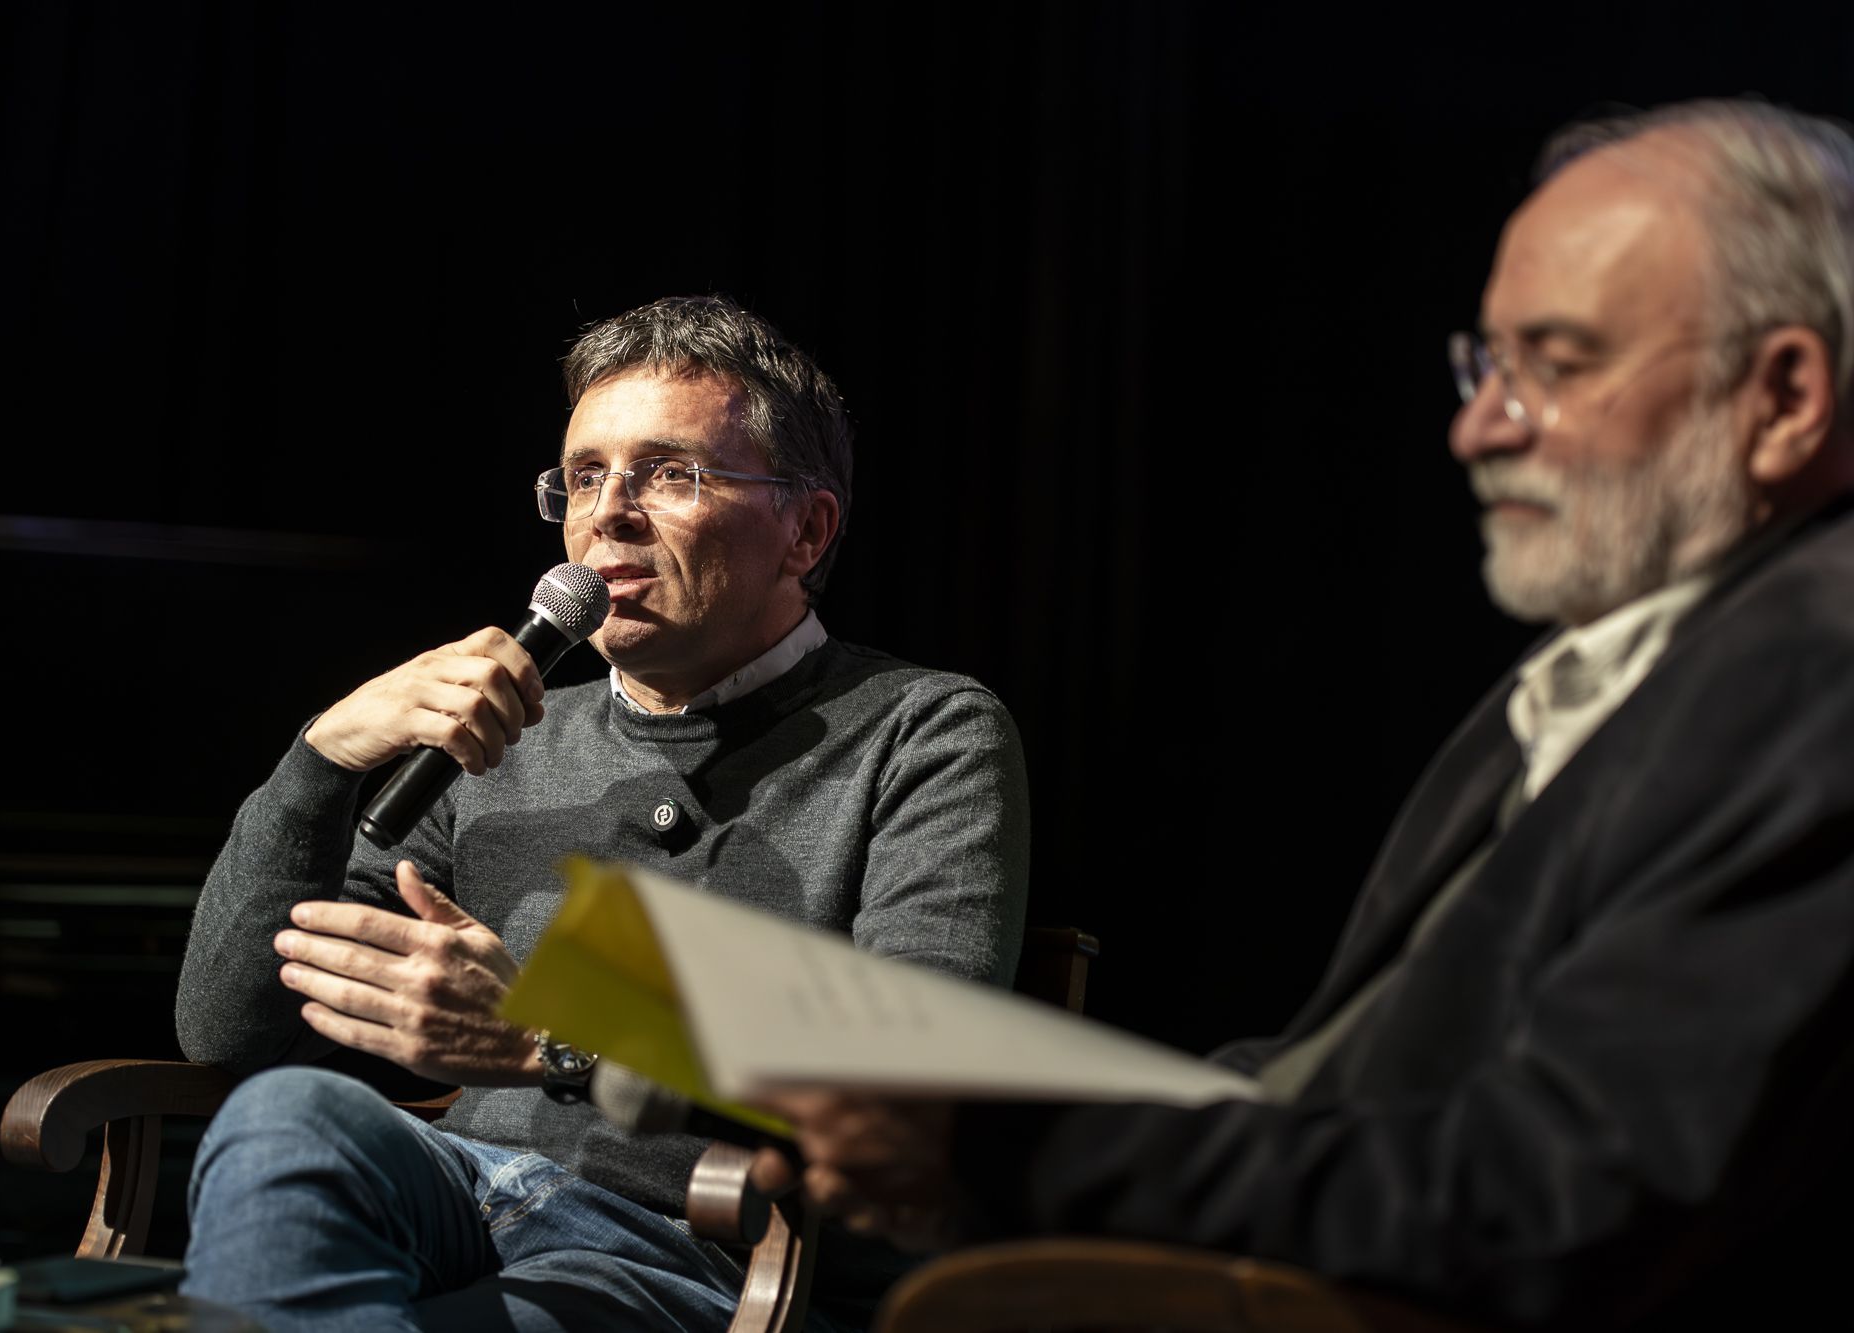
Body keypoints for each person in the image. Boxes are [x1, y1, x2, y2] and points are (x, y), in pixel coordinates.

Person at [752, 98, 1854, 1331]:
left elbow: (1561, 1196)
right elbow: (1330, 1087)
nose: (1477, 427)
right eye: (1483, 365)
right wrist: (965, 1130)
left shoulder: (1813, 668)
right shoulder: (1606, 670)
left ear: (1784, 397)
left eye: (1555, 363)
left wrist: (1012, 1144)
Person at [172, 294, 1030, 1331]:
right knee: (286, 1112)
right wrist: (319, 760)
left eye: (669, 473)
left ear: (804, 530)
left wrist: (547, 1038)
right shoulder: (509, 734)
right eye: (585, 475)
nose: (607, 513)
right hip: (456, 1194)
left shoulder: (921, 729)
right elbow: (230, 1036)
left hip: (699, 1255)